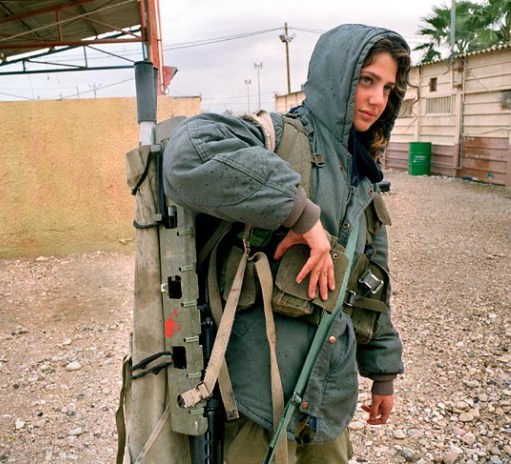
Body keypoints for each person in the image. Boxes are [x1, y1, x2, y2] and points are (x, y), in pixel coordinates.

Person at [163, 23, 411, 464]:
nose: (377, 99)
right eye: (367, 80)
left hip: (328, 395)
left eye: (388, 87)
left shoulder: (364, 174)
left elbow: (371, 283)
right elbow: (189, 154)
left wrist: (384, 372)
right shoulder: (281, 137)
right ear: (338, 76)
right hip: (257, 395)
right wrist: (301, 213)